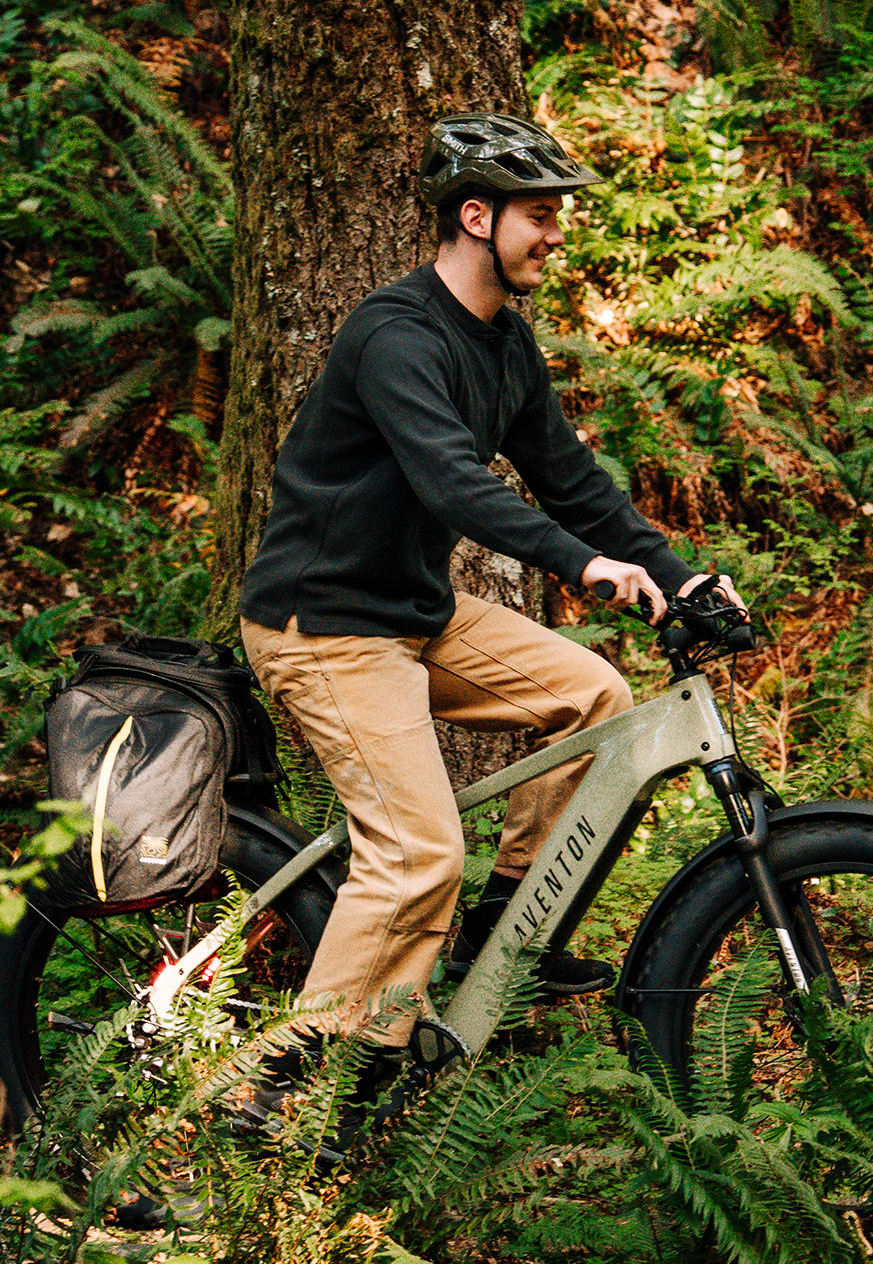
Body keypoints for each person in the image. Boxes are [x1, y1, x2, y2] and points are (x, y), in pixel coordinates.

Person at [237, 113, 743, 1114]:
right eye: (540, 216)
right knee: (420, 851)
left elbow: (574, 483)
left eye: (559, 217)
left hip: (412, 614)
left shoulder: (507, 346)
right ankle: (266, 1094)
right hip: (326, 626)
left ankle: (507, 933)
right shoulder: (394, 336)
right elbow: (455, 487)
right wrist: (580, 567)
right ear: (476, 215)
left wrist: (678, 576)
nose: (556, 235)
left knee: (593, 698)